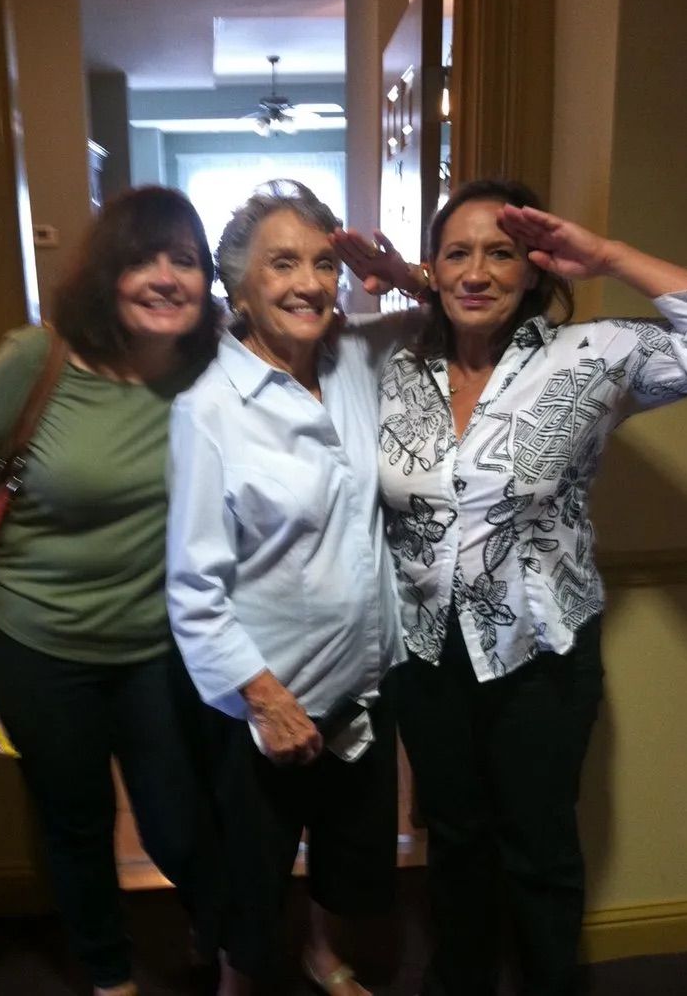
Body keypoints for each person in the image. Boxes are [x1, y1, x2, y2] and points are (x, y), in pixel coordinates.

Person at [333, 179, 687, 996]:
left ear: (535, 266)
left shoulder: (590, 356)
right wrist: (416, 278)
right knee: (454, 841)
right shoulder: (392, 357)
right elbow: (275, 336)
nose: (477, 271)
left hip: (543, 650)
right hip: (424, 653)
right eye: (457, 252)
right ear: (431, 266)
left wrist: (605, 255)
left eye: (501, 253)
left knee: (539, 848)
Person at [0, 186, 224, 996]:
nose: (167, 277)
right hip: (35, 647)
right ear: (107, 273)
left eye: (186, 260)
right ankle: (108, 975)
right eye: (143, 259)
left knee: (178, 821)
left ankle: (225, 934)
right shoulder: (41, 357)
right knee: (75, 824)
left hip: (158, 647)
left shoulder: (216, 367)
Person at [166, 181, 413, 996]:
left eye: (321, 262)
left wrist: (399, 272)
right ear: (239, 287)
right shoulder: (210, 408)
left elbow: (453, 312)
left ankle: (321, 953)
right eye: (282, 264)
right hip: (263, 703)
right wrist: (266, 701)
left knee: (348, 861)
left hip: (361, 687)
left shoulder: (352, 359)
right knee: (252, 877)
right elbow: (194, 588)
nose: (309, 283)